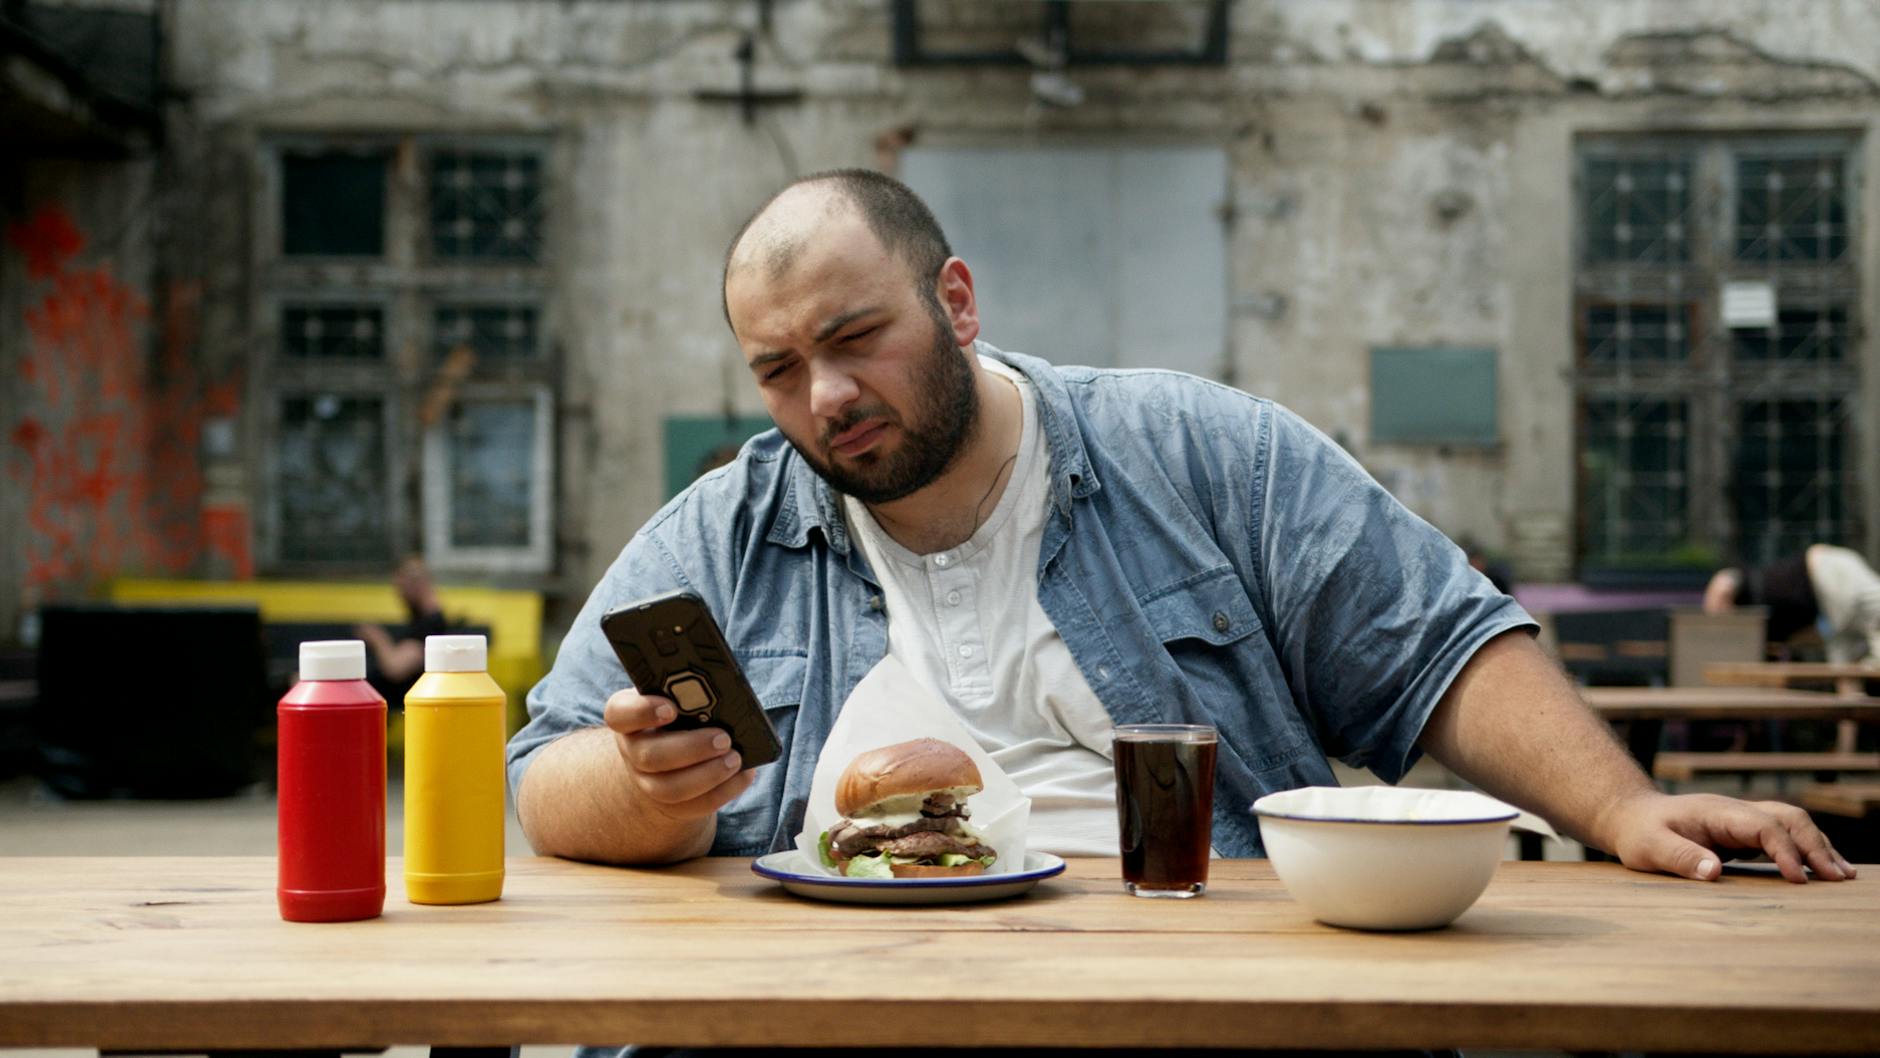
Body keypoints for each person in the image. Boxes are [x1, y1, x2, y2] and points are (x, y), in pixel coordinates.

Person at [508, 170, 1852, 891]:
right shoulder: (722, 531)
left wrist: (1623, 807)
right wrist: (645, 792)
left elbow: (1435, 644)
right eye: (779, 368)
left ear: (959, 303)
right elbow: (540, 769)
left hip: (1196, 996)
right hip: (832, 1008)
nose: (826, 397)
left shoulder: (1204, 453)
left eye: (858, 338)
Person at [1703, 545, 1880, 666]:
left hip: (1825, 569)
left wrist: (1716, 620)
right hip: (1831, 609)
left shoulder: (1747, 586)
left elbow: (1722, 583)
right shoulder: (1765, 637)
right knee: (1845, 664)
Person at [356, 555, 450, 707]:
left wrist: (377, 638)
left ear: (417, 585)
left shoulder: (431, 625)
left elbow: (395, 668)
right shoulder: (420, 620)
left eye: (402, 589)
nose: (400, 596)